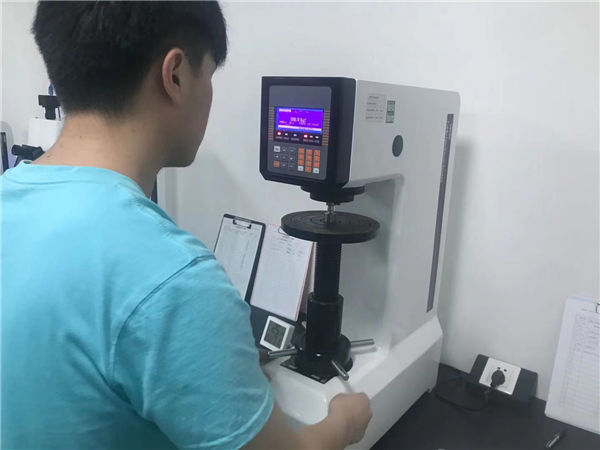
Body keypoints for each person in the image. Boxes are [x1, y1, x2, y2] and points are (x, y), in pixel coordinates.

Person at [0, 2, 372, 449]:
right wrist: (345, 422)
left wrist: (213, 363)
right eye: (209, 76)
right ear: (175, 75)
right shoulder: (175, 280)